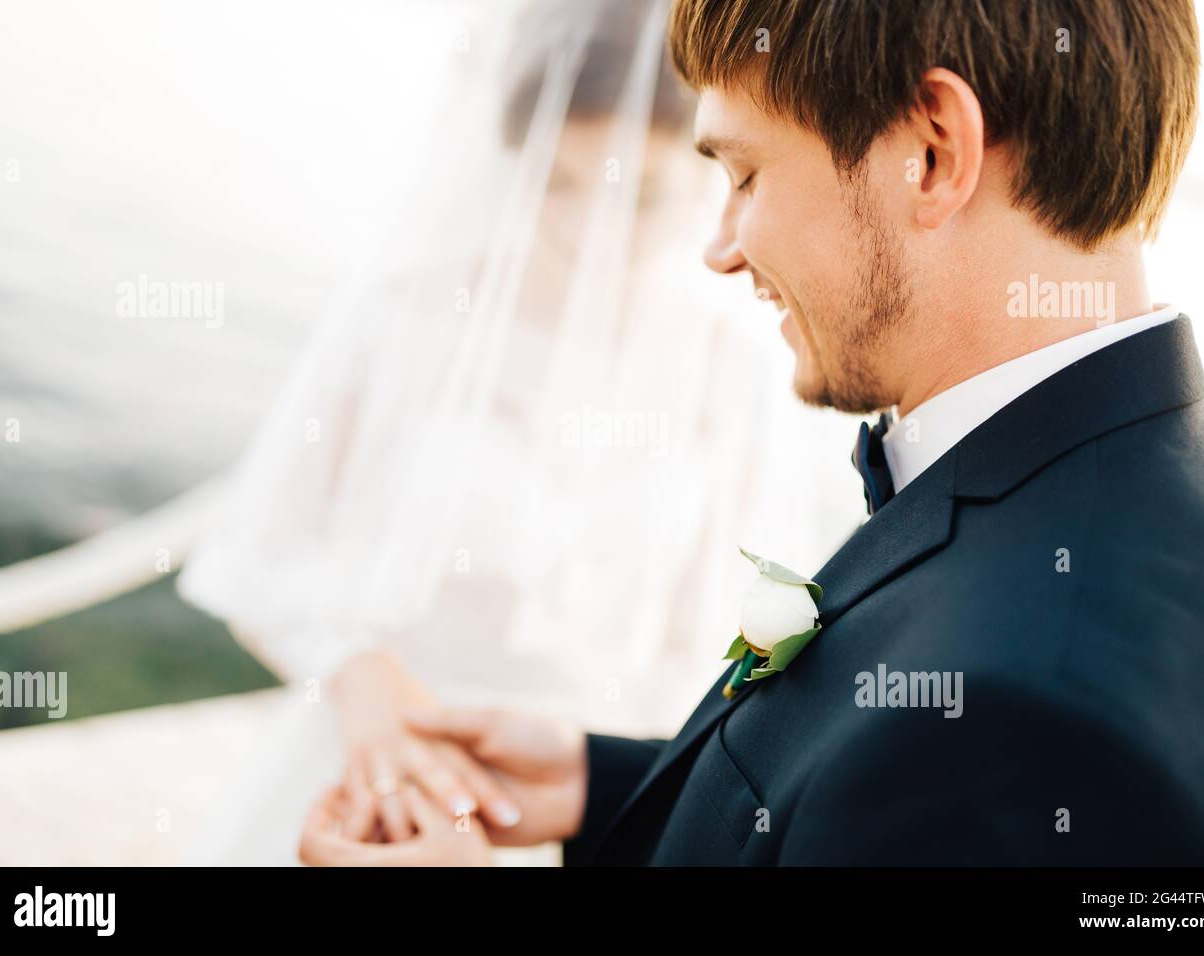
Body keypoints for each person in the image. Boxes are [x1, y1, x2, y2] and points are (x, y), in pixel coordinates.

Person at [300, 0, 1204, 866]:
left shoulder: (1025, 722)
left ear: (930, 151)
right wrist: (608, 788)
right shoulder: (1179, 485)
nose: (720, 248)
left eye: (745, 172)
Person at [179, 0, 851, 864]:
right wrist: (358, 678)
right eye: (559, 183)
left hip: (581, 796)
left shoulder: (735, 372)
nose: (591, 233)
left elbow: (744, 643)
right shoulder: (404, 316)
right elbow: (259, 554)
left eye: (643, 197)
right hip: (373, 768)